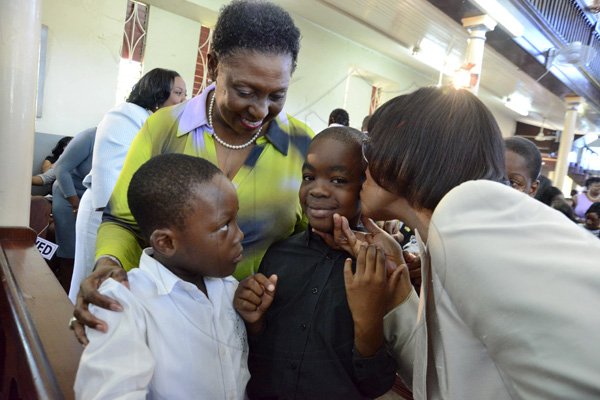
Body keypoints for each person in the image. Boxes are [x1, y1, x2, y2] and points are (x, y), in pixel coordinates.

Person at [328, 86, 600, 398]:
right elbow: (447, 378)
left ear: (412, 149)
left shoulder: (469, 208)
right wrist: (396, 287)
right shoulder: (439, 233)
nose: (362, 168)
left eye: (373, 148)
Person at [71, 0, 314, 344]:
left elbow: (309, 242)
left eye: (277, 95)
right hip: (162, 322)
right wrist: (108, 263)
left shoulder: (302, 146)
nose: (259, 110)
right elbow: (124, 220)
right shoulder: (165, 128)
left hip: (256, 330)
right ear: (213, 65)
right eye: (245, 91)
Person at [234, 127, 397, 399]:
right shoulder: (280, 255)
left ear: (364, 186)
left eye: (338, 180)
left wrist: (368, 320)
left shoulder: (379, 268)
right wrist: (253, 320)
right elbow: (258, 353)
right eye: (308, 177)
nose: (317, 190)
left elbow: (378, 383)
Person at [74, 154, 249, 399]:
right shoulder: (123, 303)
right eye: (223, 226)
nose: (239, 235)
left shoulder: (230, 289)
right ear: (166, 242)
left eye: (236, 220)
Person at [69, 68, 186, 304]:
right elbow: (113, 172)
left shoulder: (161, 125)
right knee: (92, 280)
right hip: (105, 213)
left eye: (185, 94)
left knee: (114, 287)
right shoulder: (126, 114)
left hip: (127, 216)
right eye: (178, 93)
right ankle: (72, 335)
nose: (183, 100)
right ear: (157, 92)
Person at [52, 127, 96, 292]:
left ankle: (84, 293)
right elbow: (60, 169)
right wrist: (75, 204)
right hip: (68, 194)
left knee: (91, 252)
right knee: (70, 251)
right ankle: (65, 295)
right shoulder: (89, 136)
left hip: (92, 197)